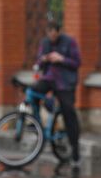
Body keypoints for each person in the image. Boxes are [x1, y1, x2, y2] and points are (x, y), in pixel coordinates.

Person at [33, 20, 82, 167]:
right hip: (49, 78)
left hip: (65, 82)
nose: (52, 36)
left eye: (54, 33)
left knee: (68, 111)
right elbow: (39, 62)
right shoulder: (45, 43)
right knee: (31, 92)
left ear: (59, 31)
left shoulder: (69, 42)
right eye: (49, 33)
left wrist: (61, 59)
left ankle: (75, 149)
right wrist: (44, 59)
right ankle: (38, 124)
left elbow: (77, 62)